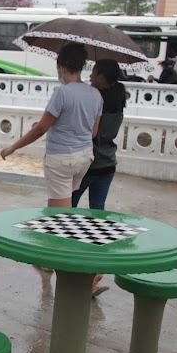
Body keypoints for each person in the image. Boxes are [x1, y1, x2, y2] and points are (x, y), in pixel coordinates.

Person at [0, 42, 102, 208]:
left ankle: (61, 233)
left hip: (62, 159)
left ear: (61, 67)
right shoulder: (96, 94)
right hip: (85, 157)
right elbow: (94, 132)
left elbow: (40, 129)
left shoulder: (62, 93)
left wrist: (13, 147)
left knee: (58, 213)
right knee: (67, 201)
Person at [72, 59, 127, 296]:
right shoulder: (118, 97)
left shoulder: (96, 98)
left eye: (94, 73)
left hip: (89, 162)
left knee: (67, 208)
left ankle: (67, 264)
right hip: (108, 163)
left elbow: (87, 130)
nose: (91, 76)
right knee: (97, 216)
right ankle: (94, 275)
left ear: (104, 77)